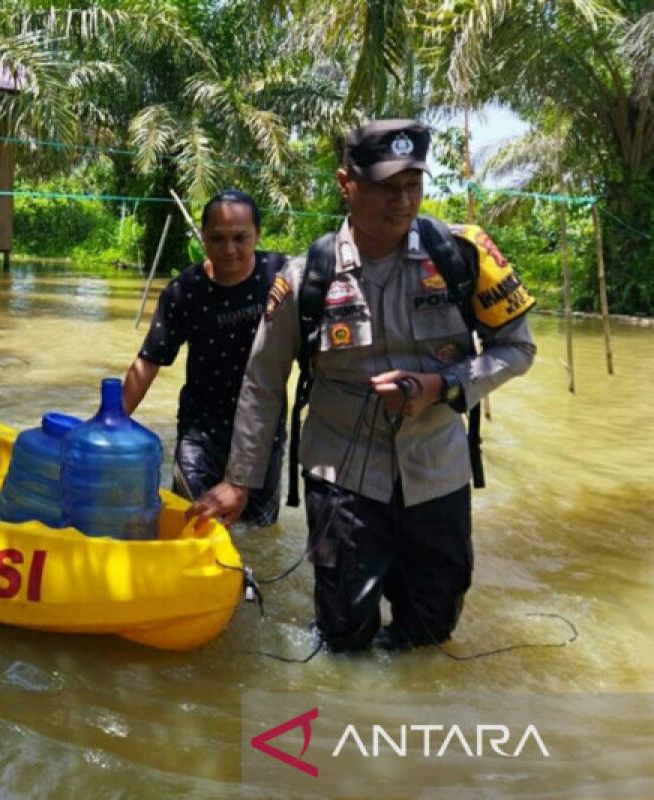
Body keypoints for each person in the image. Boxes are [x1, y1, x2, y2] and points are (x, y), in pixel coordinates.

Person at [190, 119, 537, 653]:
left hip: (437, 472)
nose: (401, 202)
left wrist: (443, 385)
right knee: (344, 632)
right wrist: (239, 481)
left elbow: (518, 348)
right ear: (345, 184)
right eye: (382, 187)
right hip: (342, 478)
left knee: (431, 628)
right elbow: (263, 382)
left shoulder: (464, 256)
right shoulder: (306, 276)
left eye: (412, 185)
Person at [123, 189, 287, 527]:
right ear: (203, 238)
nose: (229, 249)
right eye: (218, 238)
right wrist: (110, 420)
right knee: (193, 525)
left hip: (262, 433)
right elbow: (148, 362)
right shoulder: (184, 292)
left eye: (240, 238)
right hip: (200, 432)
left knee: (258, 536)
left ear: (258, 234)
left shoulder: (282, 278)